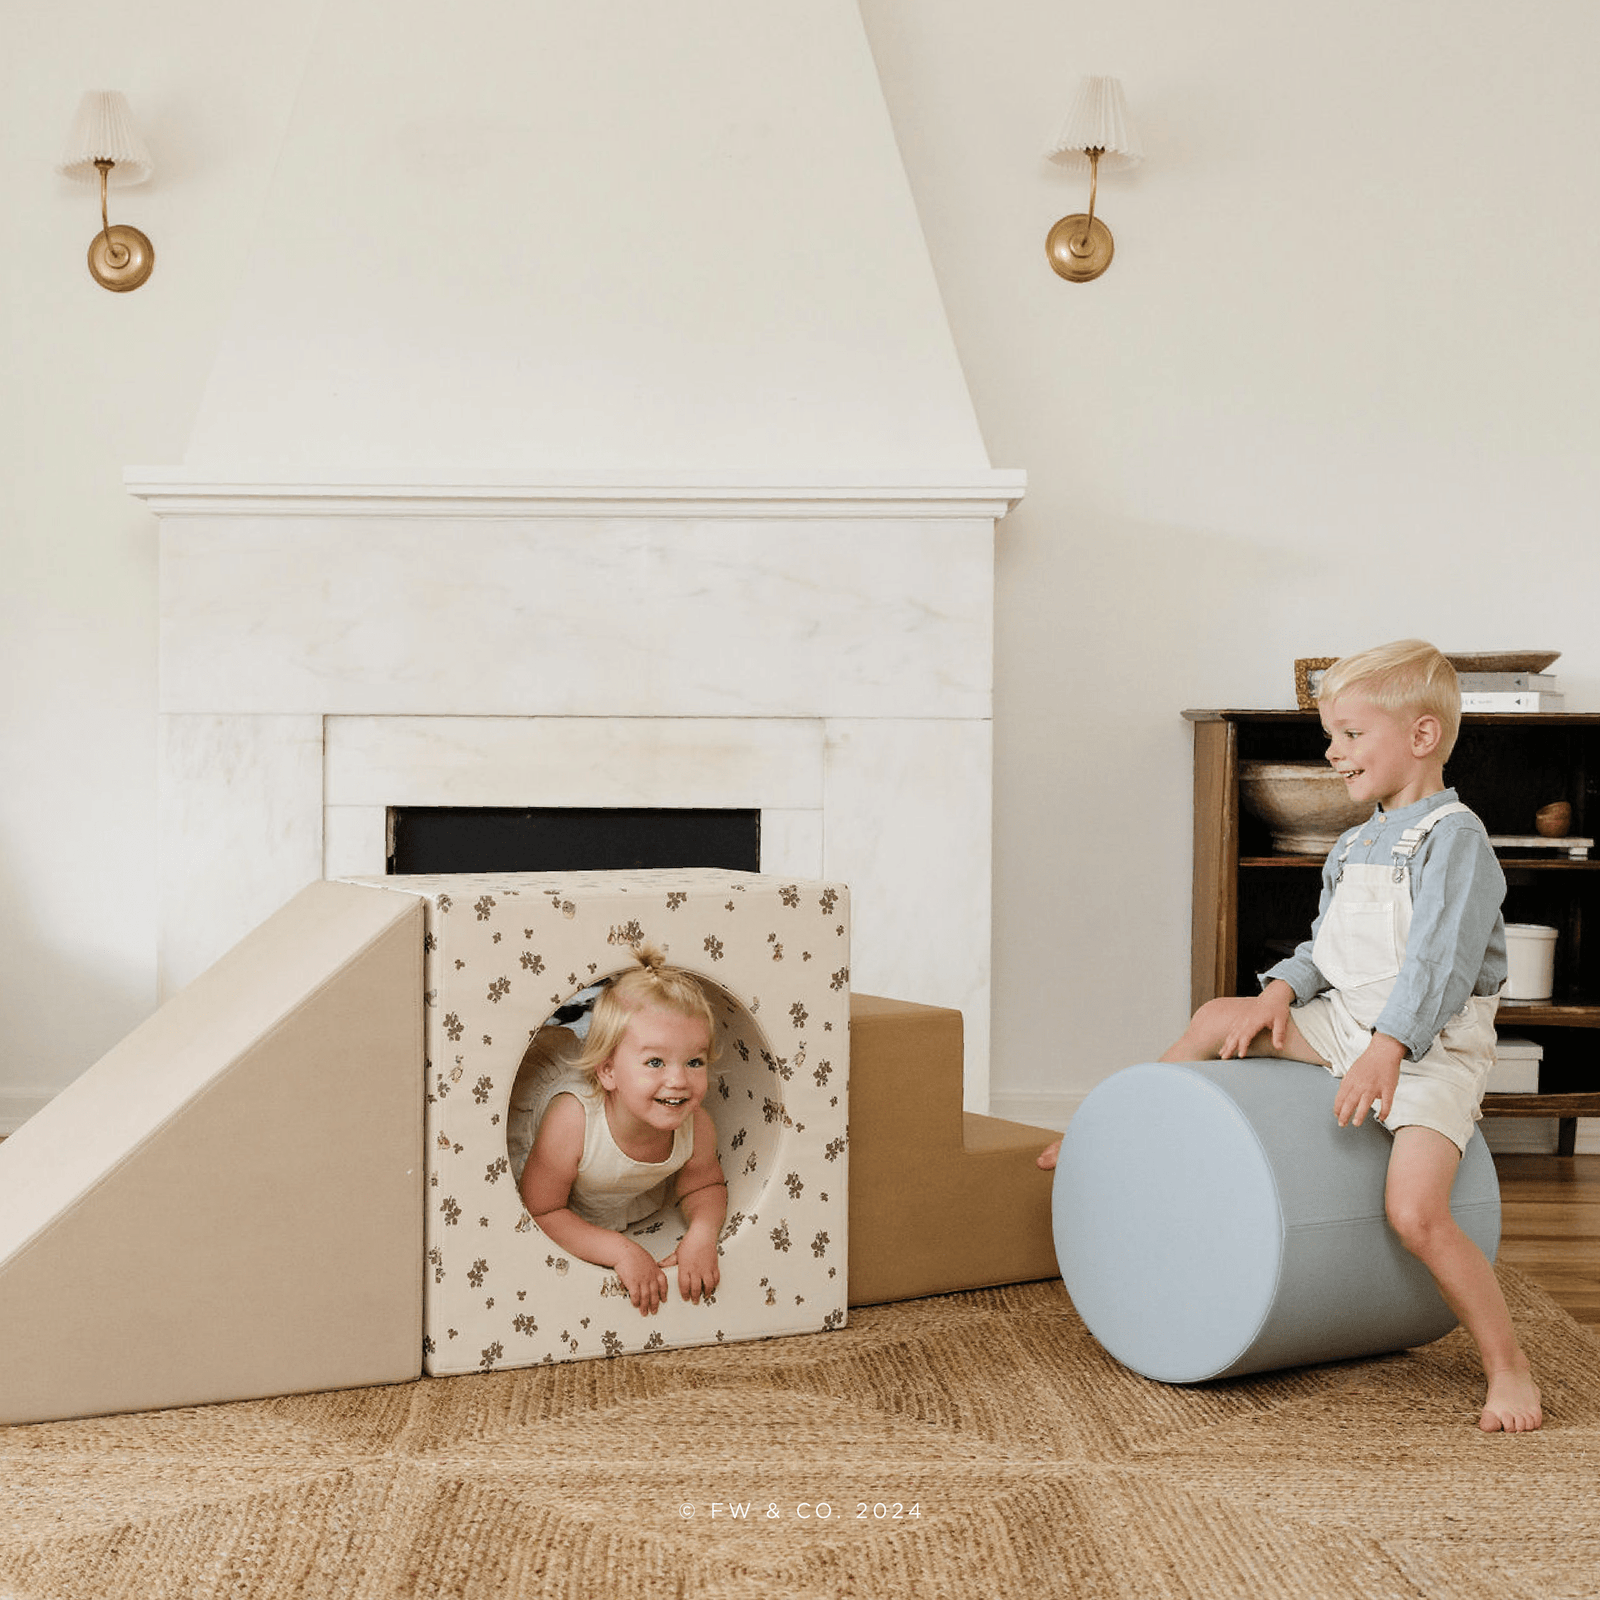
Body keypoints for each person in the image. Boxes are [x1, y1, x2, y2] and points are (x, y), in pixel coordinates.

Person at [1040, 640, 1542, 1431]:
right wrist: (1279, 991)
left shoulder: (1456, 841)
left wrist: (1389, 1048)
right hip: (1344, 1025)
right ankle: (1110, 1132)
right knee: (1215, 1017)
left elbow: (1439, 967)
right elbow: (1325, 950)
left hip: (1430, 1052)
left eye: (1349, 734)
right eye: (1331, 735)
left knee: (1415, 1214)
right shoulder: (1352, 845)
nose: (1332, 752)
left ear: (1420, 737)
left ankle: (1508, 1367)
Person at [514, 945, 728, 1317]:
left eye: (695, 1061)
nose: (678, 1080)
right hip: (545, 1122)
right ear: (608, 1070)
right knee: (541, 1055)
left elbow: (704, 1185)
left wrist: (701, 1235)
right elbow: (542, 1210)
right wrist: (620, 1250)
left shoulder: (697, 1125)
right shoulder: (572, 1122)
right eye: (655, 1062)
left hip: (612, 1193)